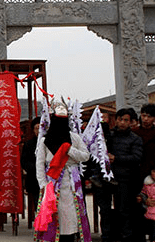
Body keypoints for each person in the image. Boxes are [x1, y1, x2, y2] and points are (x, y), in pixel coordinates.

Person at [34, 101, 91, 242]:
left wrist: (69, 150)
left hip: (72, 181)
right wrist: (43, 185)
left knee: (72, 216)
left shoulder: (74, 138)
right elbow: (39, 163)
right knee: (54, 214)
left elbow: (85, 156)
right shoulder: (45, 141)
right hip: (52, 181)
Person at [101, 108, 143, 242]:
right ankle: (106, 237)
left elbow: (137, 157)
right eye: (120, 119)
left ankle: (126, 237)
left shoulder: (135, 139)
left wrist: (116, 158)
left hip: (125, 179)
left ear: (131, 122)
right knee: (105, 211)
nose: (122, 122)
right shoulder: (109, 136)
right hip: (107, 179)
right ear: (116, 120)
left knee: (124, 211)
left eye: (126, 120)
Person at [134, 103, 155, 179]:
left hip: (152, 171)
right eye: (143, 116)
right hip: (134, 170)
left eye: (149, 116)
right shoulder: (134, 132)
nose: (145, 119)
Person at [21, 117, 41, 225]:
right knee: (38, 204)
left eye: (41, 128)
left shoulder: (50, 142)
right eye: (36, 128)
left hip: (50, 179)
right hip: (34, 179)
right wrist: (36, 168)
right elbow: (24, 161)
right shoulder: (29, 144)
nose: (39, 130)